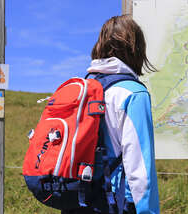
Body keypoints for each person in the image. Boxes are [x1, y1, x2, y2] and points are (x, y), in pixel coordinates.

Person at [62, 15, 160, 214]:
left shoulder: (83, 89)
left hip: (77, 200)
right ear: (136, 49)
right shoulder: (133, 93)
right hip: (113, 202)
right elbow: (140, 168)